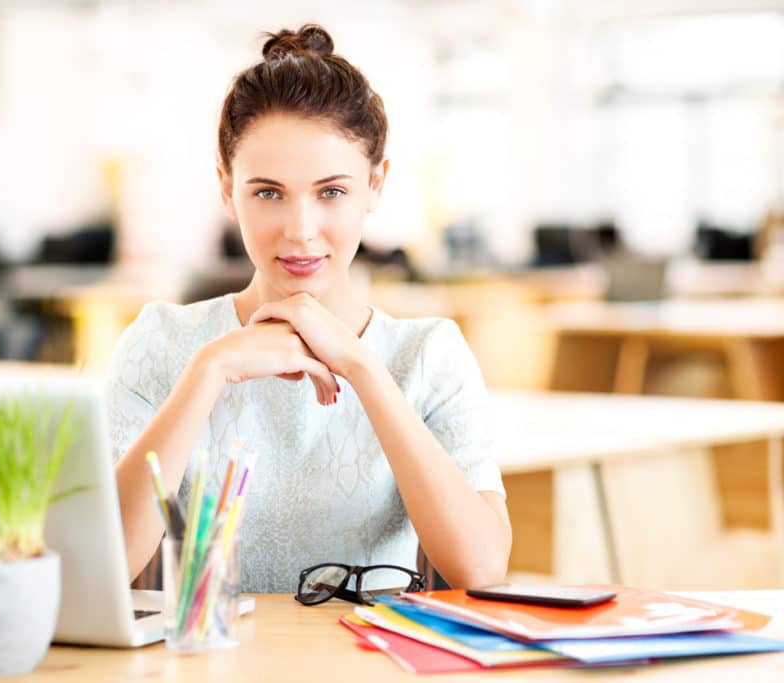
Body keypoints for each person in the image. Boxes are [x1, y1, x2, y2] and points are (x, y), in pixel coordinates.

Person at [104, 24, 511, 593]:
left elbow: (481, 569)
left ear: (376, 184)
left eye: (332, 192)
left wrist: (364, 367)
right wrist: (209, 370)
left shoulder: (429, 355)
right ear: (227, 190)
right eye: (268, 192)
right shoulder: (162, 341)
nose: (300, 231)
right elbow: (102, 569)